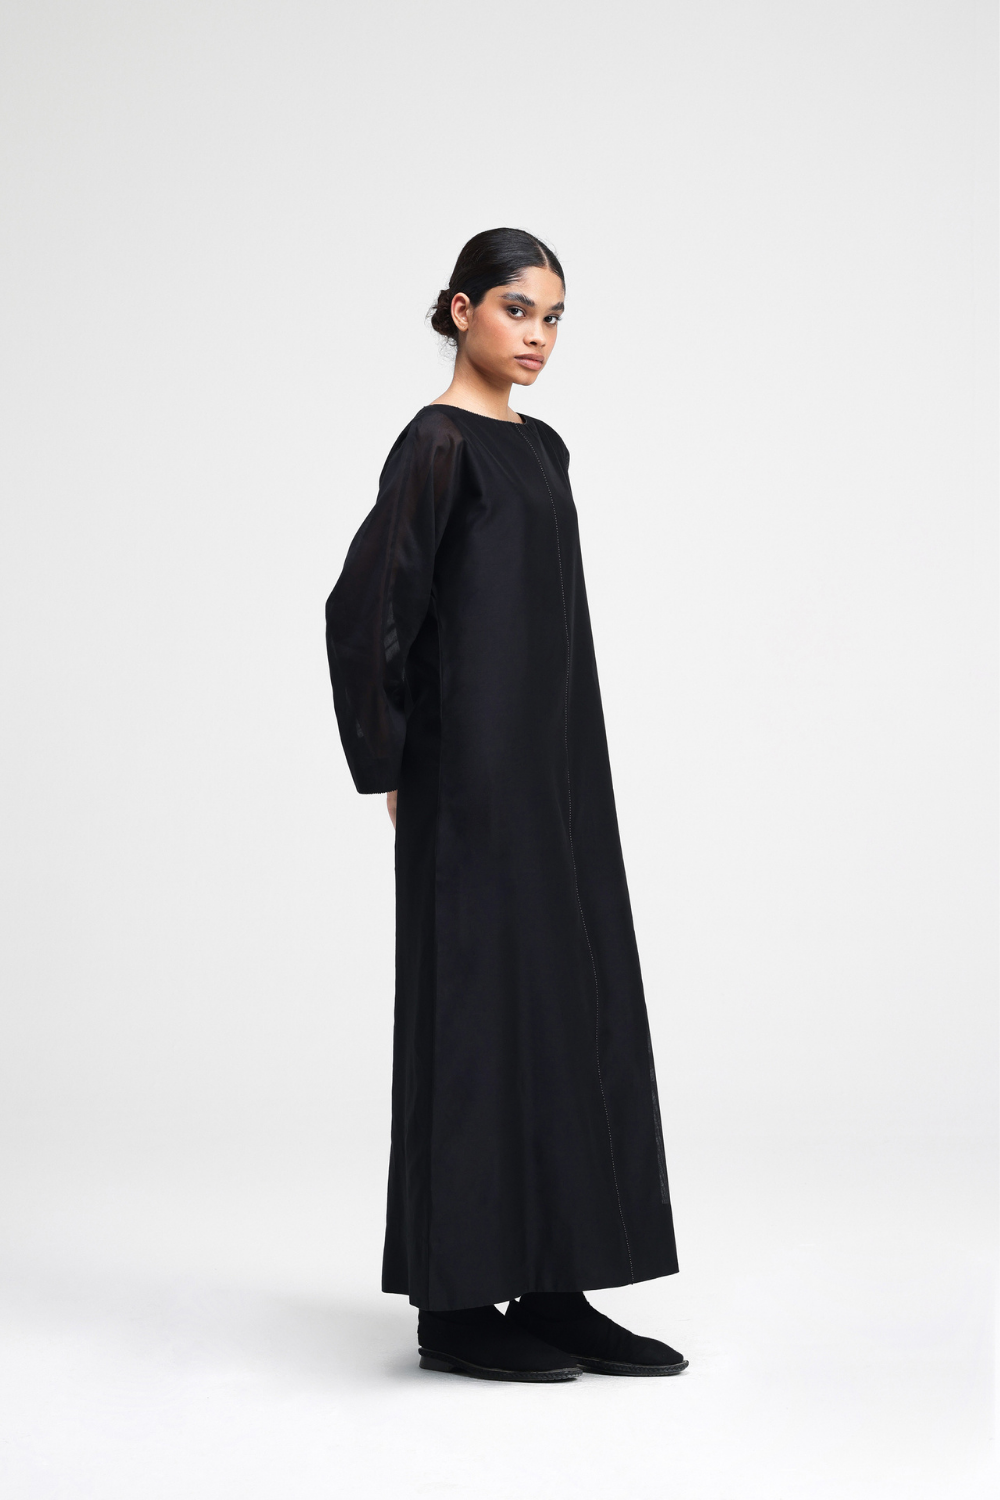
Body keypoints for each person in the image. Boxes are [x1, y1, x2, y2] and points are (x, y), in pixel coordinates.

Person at [325, 228, 686, 1382]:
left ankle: (556, 1286)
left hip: (558, 775)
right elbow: (366, 607)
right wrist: (390, 764)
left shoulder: (544, 449)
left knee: (567, 1008)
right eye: (517, 310)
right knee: (475, 1021)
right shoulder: (436, 445)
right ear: (460, 309)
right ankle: (453, 1308)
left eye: (553, 318)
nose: (537, 337)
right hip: (468, 784)